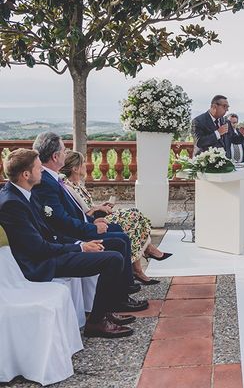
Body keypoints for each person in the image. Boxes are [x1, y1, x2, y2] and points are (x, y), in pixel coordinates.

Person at [0, 149, 141, 338]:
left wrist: (79, 242)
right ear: (26, 174)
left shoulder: (23, 193)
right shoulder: (12, 204)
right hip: (39, 264)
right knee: (112, 259)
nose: (42, 170)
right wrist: (80, 247)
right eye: (38, 168)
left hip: (50, 252)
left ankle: (105, 311)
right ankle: (97, 322)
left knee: (113, 249)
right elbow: (38, 249)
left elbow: (48, 233)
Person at [31, 132, 147, 309]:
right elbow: (60, 221)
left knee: (118, 233)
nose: (66, 152)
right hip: (69, 237)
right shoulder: (45, 182)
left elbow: (69, 212)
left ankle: (123, 289)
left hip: (77, 228)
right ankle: (119, 298)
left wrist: (92, 222)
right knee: (119, 241)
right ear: (55, 156)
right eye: (64, 150)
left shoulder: (52, 178)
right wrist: (90, 230)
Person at [59, 151, 172, 285]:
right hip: (94, 220)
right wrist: (97, 210)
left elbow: (87, 206)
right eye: (83, 163)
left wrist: (100, 206)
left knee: (135, 216)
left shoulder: (78, 184)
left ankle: (142, 260)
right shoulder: (68, 186)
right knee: (133, 217)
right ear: (75, 168)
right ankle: (144, 258)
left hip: (97, 215)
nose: (86, 165)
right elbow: (81, 213)